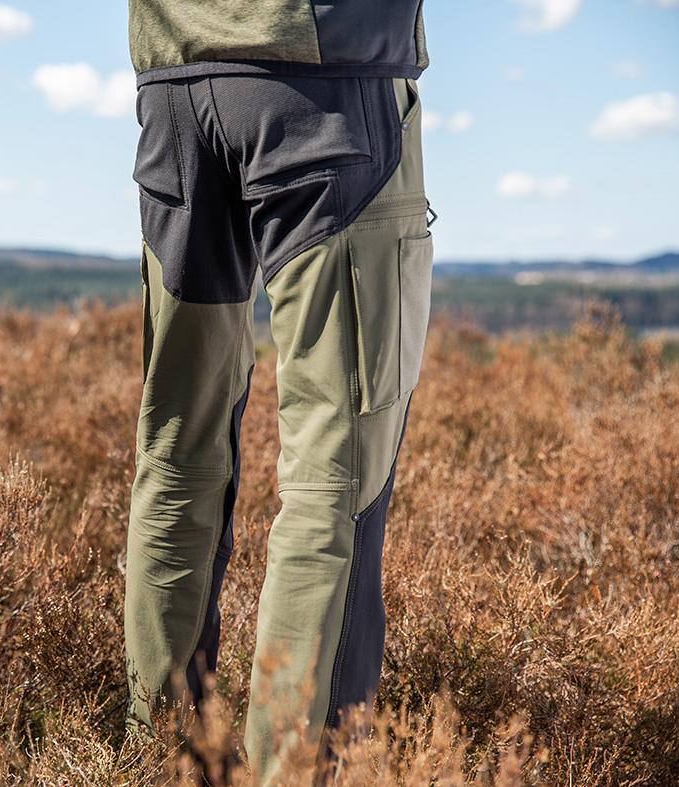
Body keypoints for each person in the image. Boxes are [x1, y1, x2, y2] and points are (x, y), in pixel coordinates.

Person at [121, 2, 434, 782]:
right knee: (336, 473)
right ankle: (292, 771)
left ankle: (161, 760)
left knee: (175, 451)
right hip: (329, 89)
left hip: (174, 87)